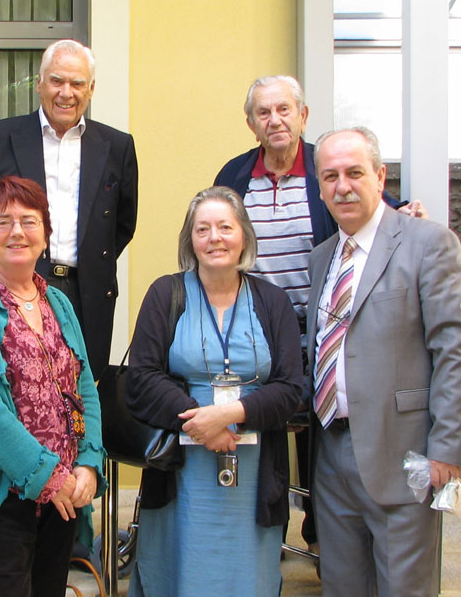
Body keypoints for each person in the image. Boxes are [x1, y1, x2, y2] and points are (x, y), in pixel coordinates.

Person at [213, 75, 425, 553]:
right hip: (258, 331)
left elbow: (366, 208)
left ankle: (324, 538)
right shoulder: (234, 175)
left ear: (302, 115)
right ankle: (264, 534)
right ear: (252, 124)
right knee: (266, 424)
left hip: (329, 328)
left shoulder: (324, 167)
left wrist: (406, 213)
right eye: (264, 113)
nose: (276, 120)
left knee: (324, 428)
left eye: (284, 110)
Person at [306, 127, 461, 597]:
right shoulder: (322, 258)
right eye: (330, 176)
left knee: (404, 588)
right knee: (342, 586)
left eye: (354, 173)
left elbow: (452, 350)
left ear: (380, 175)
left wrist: (447, 449)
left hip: (406, 454)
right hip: (331, 454)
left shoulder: (428, 243)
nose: (342, 186)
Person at [126, 186, 301, 596]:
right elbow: (142, 378)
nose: (214, 238)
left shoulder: (273, 302)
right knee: (179, 570)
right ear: (190, 240)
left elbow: (292, 387)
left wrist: (230, 414)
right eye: (202, 229)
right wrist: (199, 422)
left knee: (248, 577)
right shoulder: (165, 294)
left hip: (255, 470)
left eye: (225, 227)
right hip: (183, 469)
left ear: (244, 236)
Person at [0, 176, 106, 596]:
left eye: (29, 221)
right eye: (3, 222)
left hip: (64, 497)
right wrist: (51, 478)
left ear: (45, 235)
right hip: (5, 495)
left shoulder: (59, 302)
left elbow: (83, 388)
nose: (17, 231)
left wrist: (87, 461)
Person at [0, 39, 138, 380]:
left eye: (77, 83)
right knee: (12, 389)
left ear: (91, 89)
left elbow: (122, 224)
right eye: (56, 81)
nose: (67, 93)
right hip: (11, 288)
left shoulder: (117, 147)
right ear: (38, 84)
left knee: (77, 395)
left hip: (85, 295)